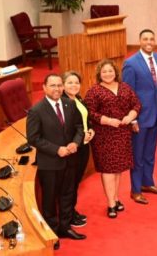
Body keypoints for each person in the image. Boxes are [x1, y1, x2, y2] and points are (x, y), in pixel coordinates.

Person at [27, 74, 86, 249]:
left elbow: (79, 127)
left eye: (59, 85)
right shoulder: (36, 110)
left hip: (70, 160)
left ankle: (65, 227)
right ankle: (52, 233)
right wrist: (56, 149)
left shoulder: (70, 104)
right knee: (50, 200)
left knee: (68, 195)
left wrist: (76, 142)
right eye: (52, 85)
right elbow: (33, 138)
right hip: (49, 164)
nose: (57, 89)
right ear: (44, 87)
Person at [84, 59, 141, 218]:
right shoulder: (94, 91)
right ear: (99, 74)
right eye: (104, 72)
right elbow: (90, 112)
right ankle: (110, 204)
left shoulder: (125, 87)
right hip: (104, 135)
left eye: (110, 71)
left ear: (116, 72)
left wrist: (131, 115)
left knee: (118, 168)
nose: (108, 74)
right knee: (108, 169)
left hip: (123, 133)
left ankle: (116, 199)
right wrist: (108, 120)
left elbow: (136, 104)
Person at [122, 29, 157, 204]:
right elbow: (127, 93)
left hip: (156, 115)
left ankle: (147, 183)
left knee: (150, 153)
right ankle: (135, 189)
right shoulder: (131, 63)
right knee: (138, 155)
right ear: (139, 41)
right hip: (139, 117)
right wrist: (132, 118)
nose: (149, 41)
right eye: (145, 39)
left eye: (151, 38)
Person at [61, 71, 95, 228]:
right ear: (63, 85)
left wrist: (91, 130)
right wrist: (81, 138)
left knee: (76, 182)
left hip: (84, 146)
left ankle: (71, 211)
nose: (74, 85)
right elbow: (67, 130)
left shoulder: (79, 99)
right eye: (70, 82)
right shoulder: (62, 103)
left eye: (76, 82)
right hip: (73, 148)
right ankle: (67, 217)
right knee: (69, 184)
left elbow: (85, 120)